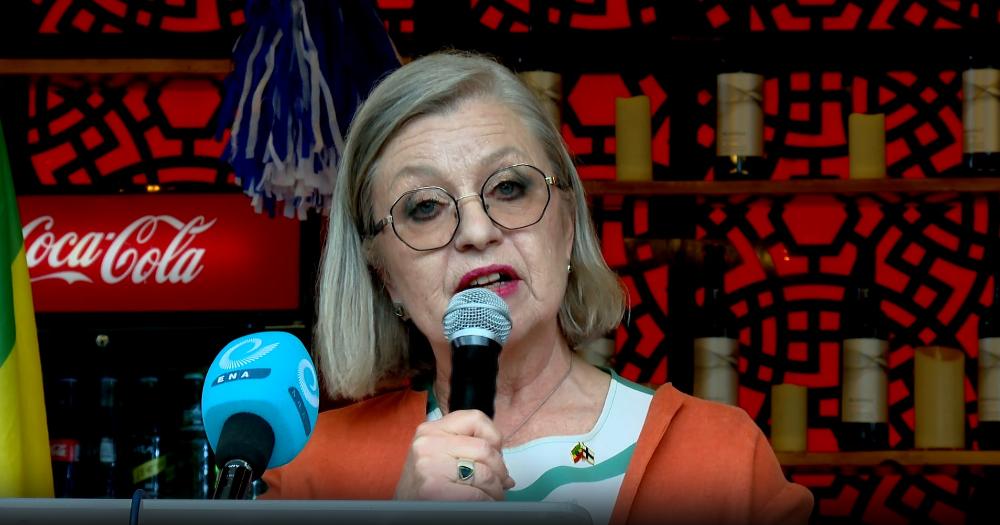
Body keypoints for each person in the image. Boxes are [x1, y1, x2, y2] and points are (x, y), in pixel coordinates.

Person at [261, 51, 813, 525]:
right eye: (424, 207)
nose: (478, 231)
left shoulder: (722, 459)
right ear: (384, 275)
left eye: (508, 187)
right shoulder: (313, 472)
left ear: (567, 224)